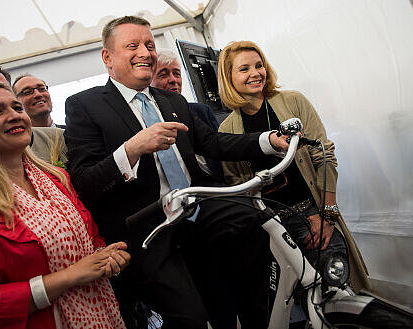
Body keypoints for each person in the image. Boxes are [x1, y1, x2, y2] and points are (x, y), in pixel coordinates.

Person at [65, 16, 291, 329]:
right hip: (147, 227)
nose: (145, 52)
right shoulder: (85, 106)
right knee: (192, 319)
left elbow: (213, 142)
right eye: (133, 46)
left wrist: (268, 140)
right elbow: (85, 181)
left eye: (149, 45)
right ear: (108, 57)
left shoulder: (173, 100)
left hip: (196, 210)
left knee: (252, 221)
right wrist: (134, 147)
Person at [0, 81, 130, 329]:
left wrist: (106, 257)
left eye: (17, 108)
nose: (14, 116)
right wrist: (69, 277)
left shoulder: (54, 179)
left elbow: (91, 238)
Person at [217, 40, 369, 292]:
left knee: (338, 294)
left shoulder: (292, 101)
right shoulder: (226, 130)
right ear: (228, 77)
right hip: (273, 231)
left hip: (313, 216)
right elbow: (238, 187)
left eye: (259, 65)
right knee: (302, 305)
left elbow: (324, 157)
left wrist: (327, 216)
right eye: (244, 69)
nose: (255, 73)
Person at [151, 48, 224, 181]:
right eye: (163, 74)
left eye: (176, 74)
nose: (173, 80)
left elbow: (221, 149)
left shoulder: (202, 112)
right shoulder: (148, 123)